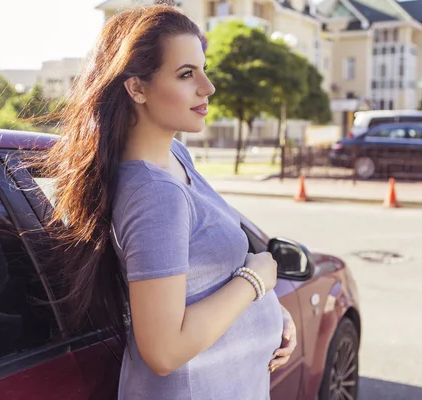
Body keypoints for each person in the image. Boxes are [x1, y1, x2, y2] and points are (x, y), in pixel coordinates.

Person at [34, 4, 297, 399]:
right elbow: (164, 349)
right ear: (137, 88)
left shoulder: (177, 157)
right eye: (187, 74)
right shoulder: (154, 194)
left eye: (203, 69)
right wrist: (257, 281)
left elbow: (203, 282)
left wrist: (271, 311)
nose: (207, 87)